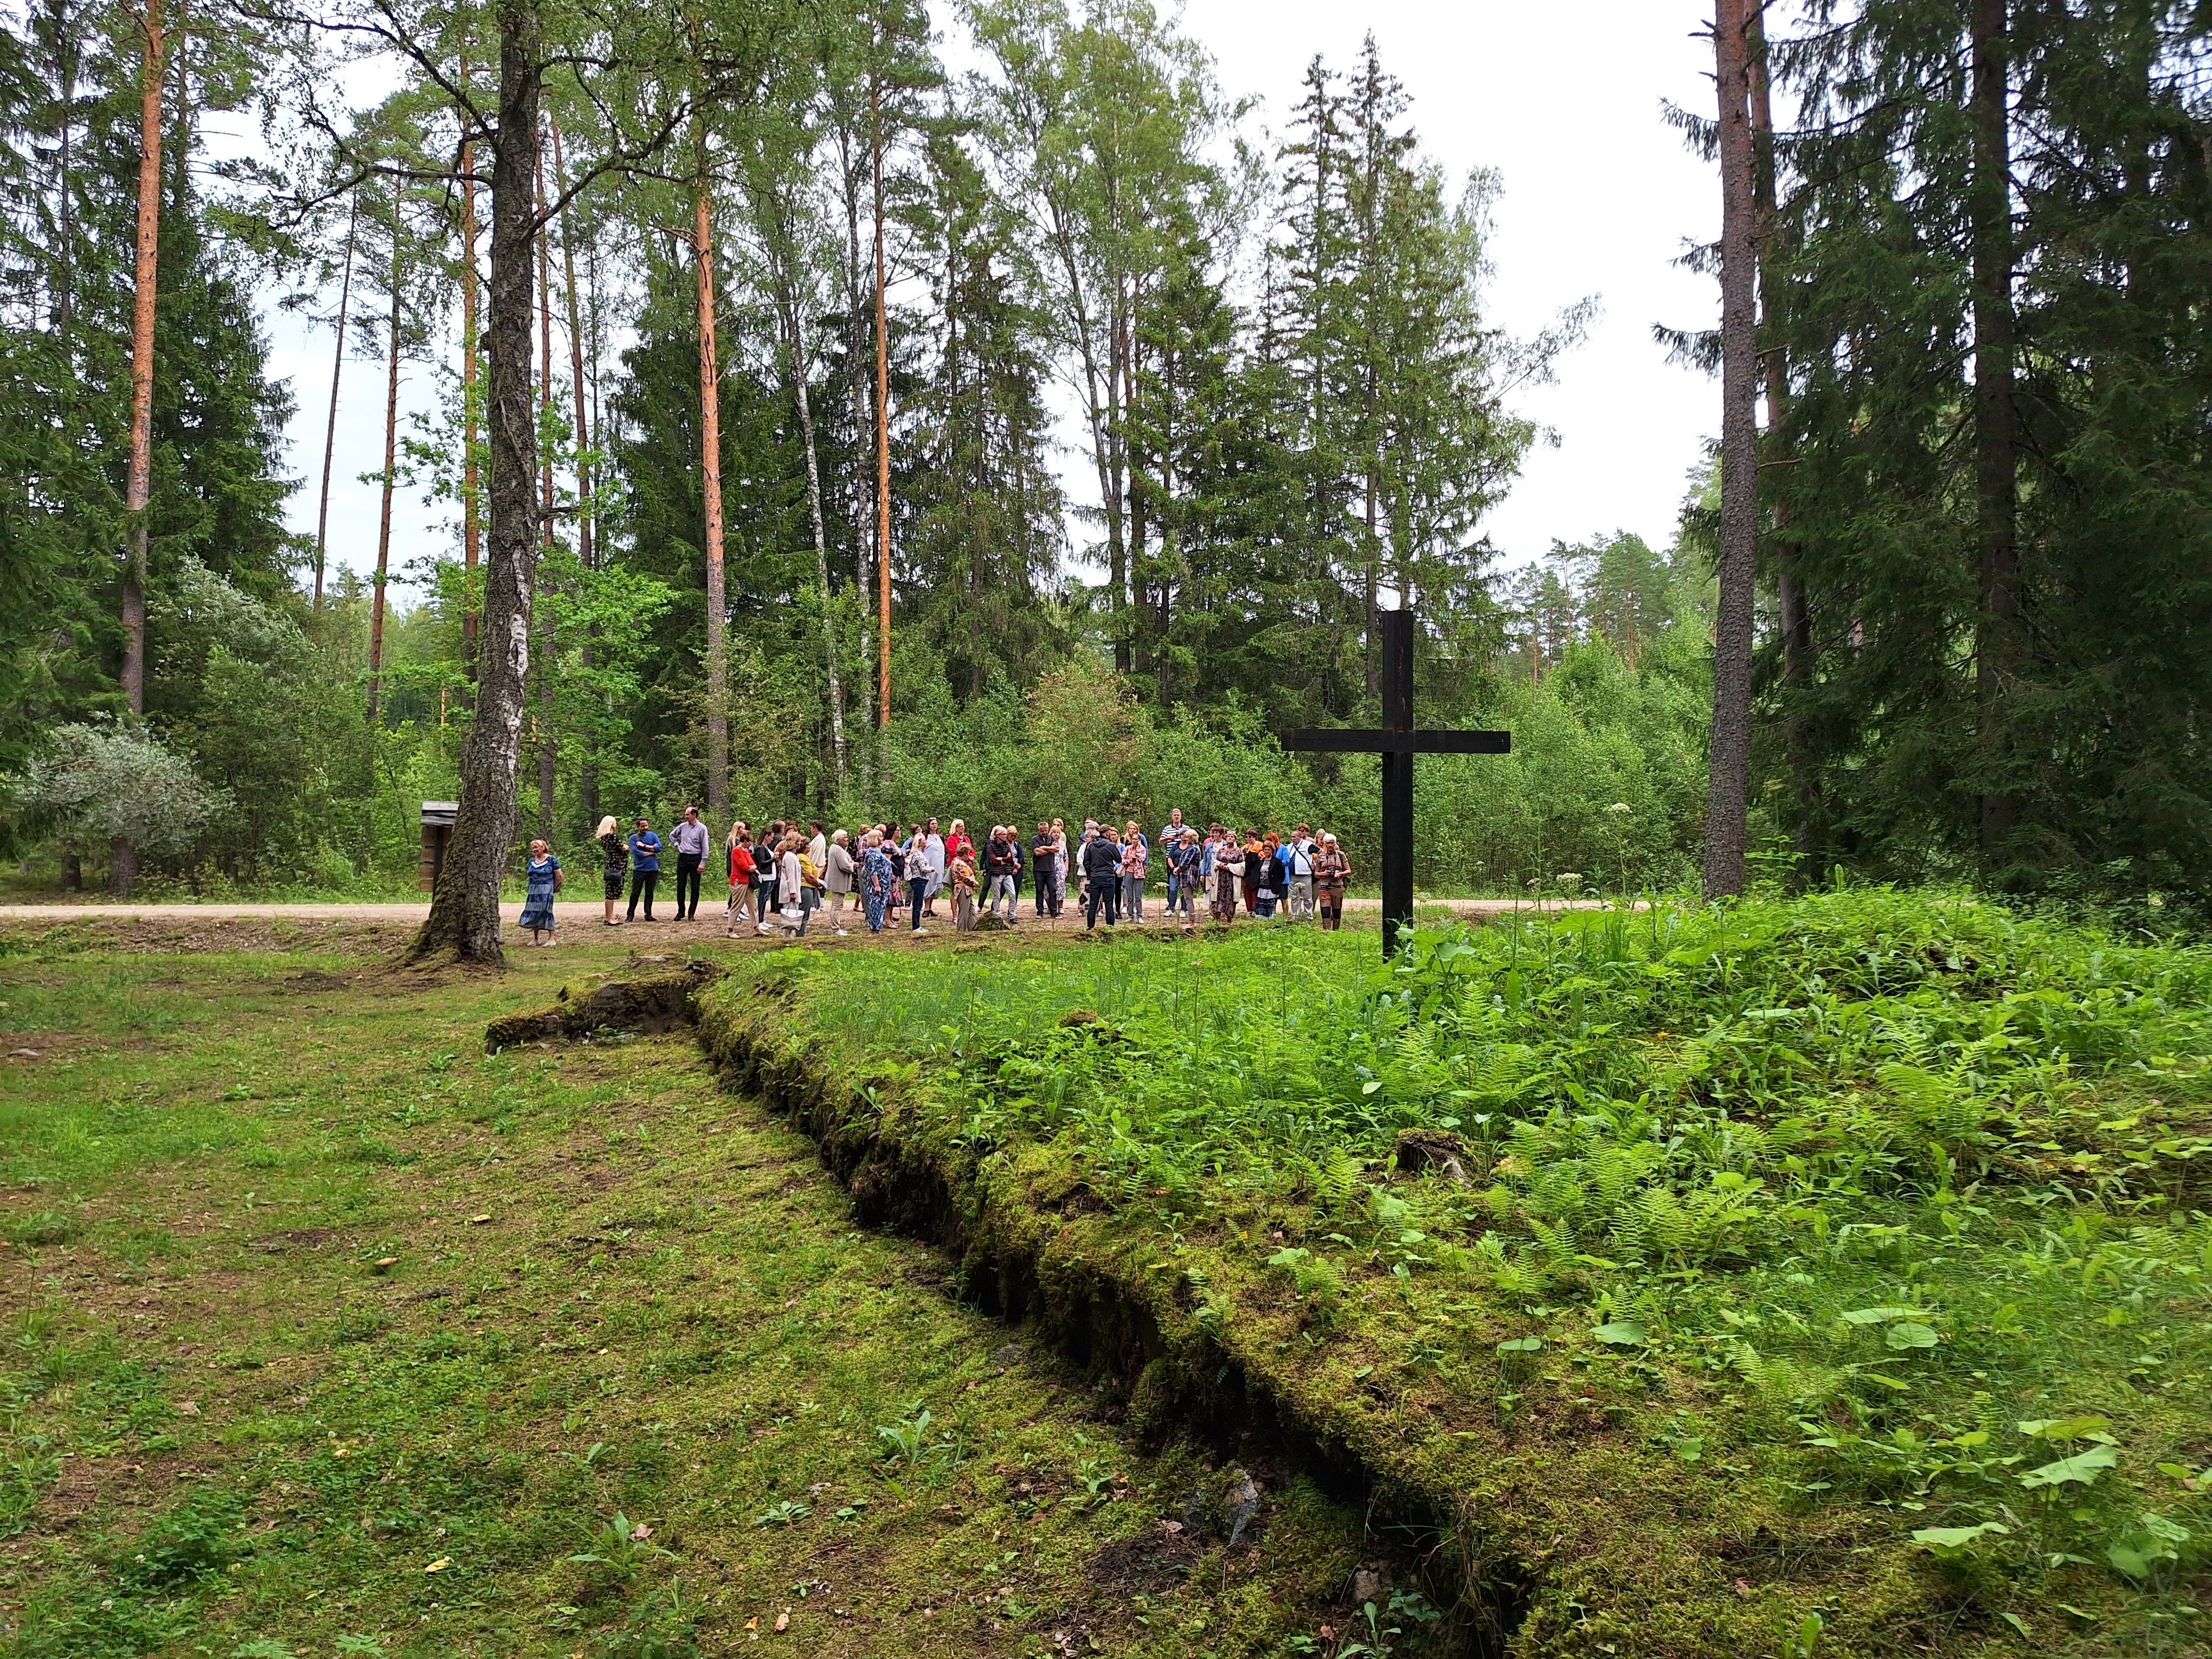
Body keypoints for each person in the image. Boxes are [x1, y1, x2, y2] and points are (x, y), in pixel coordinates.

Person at [518, 838, 562, 945]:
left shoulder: (551, 860)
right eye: (533, 848)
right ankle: (536, 938)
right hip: (534, 891)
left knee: (546, 912)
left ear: (543, 848)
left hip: (546, 890)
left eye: (537, 847)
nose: (535, 850)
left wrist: (554, 888)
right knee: (534, 912)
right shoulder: (532, 862)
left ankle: (552, 938)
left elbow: (559, 876)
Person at [1082, 824, 1121, 929]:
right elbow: (1119, 859)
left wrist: (1091, 873)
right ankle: (1110, 927)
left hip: (1095, 877)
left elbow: (1086, 862)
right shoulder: (1110, 845)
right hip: (1108, 876)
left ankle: (1090, 927)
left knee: (1093, 903)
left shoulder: (1090, 845)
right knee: (1109, 903)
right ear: (1108, 833)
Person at [626, 816, 662, 922]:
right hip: (640, 869)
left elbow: (660, 848)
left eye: (646, 825)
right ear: (638, 827)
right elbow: (638, 853)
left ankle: (648, 914)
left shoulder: (653, 835)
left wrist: (645, 846)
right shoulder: (633, 838)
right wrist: (652, 851)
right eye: (643, 826)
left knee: (650, 893)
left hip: (653, 869)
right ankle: (630, 915)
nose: (646, 828)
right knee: (635, 893)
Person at [1313, 832, 1351, 930]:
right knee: (1325, 910)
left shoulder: (1341, 855)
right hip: (1324, 886)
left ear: (1335, 843)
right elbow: (1316, 873)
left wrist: (1340, 874)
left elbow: (1348, 871)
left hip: (1337, 886)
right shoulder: (1321, 856)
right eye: (1328, 843)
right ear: (1325, 844)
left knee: (1336, 910)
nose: (1330, 845)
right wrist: (1323, 874)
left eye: (1332, 843)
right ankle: (1326, 931)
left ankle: (1336, 931)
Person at [860, 829, 895, 933]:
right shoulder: (871, 853)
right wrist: (877, 885)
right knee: (875, 906)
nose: (882, 838)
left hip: (884, 884)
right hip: (877, 885)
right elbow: (872, 870)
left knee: (881, 906)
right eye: (880, 837)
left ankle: (878, 928)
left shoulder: (878, 851)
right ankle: (874, 929)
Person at [595, 815, 626, 927]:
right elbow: (623, 848)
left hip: (611, 865)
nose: (616, 824)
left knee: (611, 892)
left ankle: (611, 916)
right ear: (611, 824)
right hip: (615, 866)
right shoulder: (612, 837)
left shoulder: (604, 838)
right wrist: (624, 847)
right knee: (611, 893)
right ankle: (609, 918)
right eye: (615, 822)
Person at [824, 829, 856, 935]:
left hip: (836, 881)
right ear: (839, 840)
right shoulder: (838, 850)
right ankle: (835, 929)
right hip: (838, 882)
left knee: (837, 905)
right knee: (837, 906)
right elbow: (845, 866)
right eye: (845, 838)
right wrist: (853, 865)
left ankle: (836, 928)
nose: (847, 839)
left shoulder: (835, 848)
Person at [1284, 824, 1317, 922]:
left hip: (1305, 875)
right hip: (1293, 876)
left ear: (1300, 837)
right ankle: (1295, 916)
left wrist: (1316, 864)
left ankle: (1309, 915)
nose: (1292, 839)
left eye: (1294, 837)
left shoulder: (1308, 845)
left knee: (1307, 897)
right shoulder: (1289, 847)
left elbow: (1321, 852)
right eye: (1292, 837)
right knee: (1294, 897)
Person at [754, 819, 783, 931]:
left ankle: (762, 919)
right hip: (765, 876)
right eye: (771, 837)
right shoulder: (760, 848)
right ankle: (759, 920)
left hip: (771, 876)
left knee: (766, 898)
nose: (772, 839)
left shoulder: (767, 848)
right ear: (766, 837)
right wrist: (773, 859)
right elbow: (762, 864)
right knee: (762, 898)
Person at [1119, 824, 1148, 924]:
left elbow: (1141, 859)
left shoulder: (1143, 849)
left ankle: (1140, 915)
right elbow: (1123, 860)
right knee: (1130, 895)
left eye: (1137, 839)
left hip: (1139, 873)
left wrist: (1134, 859)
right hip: (1129, 872)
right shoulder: (1127, 849)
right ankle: (1131, 915)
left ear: (1139, 840)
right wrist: (1130, 860)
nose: (1135, 840)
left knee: (1138, 896)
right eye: (1133, 839)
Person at [1159, 808, 1187, 910]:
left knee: (1185, 883)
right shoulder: (1167, 829)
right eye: (1175, 815)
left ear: (1181, 817)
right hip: (1171, 859)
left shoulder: (1186, 828)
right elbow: (1160, 842)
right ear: (1172, 817)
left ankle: (1185, 906)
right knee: (1171, 882)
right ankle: (1171, 904)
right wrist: (1168, 838)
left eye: (1178, 815)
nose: (1176, 817)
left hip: (1185, 859)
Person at [904, 825, 931, 935]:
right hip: (919, 880)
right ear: (920, 843)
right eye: (924, 841)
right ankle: (916, 926)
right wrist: (932, 869)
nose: (926, 842)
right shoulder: (919, 855)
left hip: (919, 880)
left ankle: (918, 925)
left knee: (918, 903)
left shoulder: (917, 854)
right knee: (918, 904)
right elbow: (924, 869)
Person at [1211, 826, 1239, 923]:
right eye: (1228, 837)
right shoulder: (1221, 850)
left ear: (1235, 839)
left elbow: (1242, 864)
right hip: (1221, 877)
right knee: (1220, 895)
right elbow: (1215, 861)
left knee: (1230, 895)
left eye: (1232, 837)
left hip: (1232, 877)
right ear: (1226, 838)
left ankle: (1228, 915)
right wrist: (1220, 864)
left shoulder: (1238, 851)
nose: (1230, 838)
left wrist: (1230, 867)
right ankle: (1218, 913)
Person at [1254, 832, 1286, 918]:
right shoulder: (1261, 861)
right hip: (1262, 887)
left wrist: (1277, 883)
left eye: (1269, 850)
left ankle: (1271, 921)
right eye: (1265, 850)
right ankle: (1262, 921)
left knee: (1270, 905)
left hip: (1271, 888)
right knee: (1262, 905)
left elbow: (1282, 874)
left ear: (1272, 850)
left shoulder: (1277, 861)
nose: (1267, 851)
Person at [1031, 821, 1059, 917]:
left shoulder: (1052, 838)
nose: (1044, 832)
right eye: (1042, 831)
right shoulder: (1035, 839)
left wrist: (1044, 847)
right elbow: (1037, 852)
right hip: (1039, 869)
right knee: (1040, 890)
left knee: (1053, 889)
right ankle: (1040, 912)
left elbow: (1057, 849)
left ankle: (1054, 912)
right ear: (1039, 830)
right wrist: (1050, 848)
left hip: (1050, 869)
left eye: (1046, 830)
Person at [950, 840, 979, 932]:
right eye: (969, 853)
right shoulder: (959, 864)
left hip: (967, 890)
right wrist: (976, 883)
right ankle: (961, 931)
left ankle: (972, 929)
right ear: (965, 853)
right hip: (963, 889)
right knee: (964, 912)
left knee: (971, 911)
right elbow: (965, 878)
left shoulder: (959, 861)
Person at [921, 818, 947, 919]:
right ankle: (926, 908)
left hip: (939, 864)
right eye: (932, 824)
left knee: (937, 884)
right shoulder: (926, 837)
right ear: (929, 826)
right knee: (929, 884)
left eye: (936, 824)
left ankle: (930, 907)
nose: (935, 826)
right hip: (929, 863)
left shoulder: (940, 837)